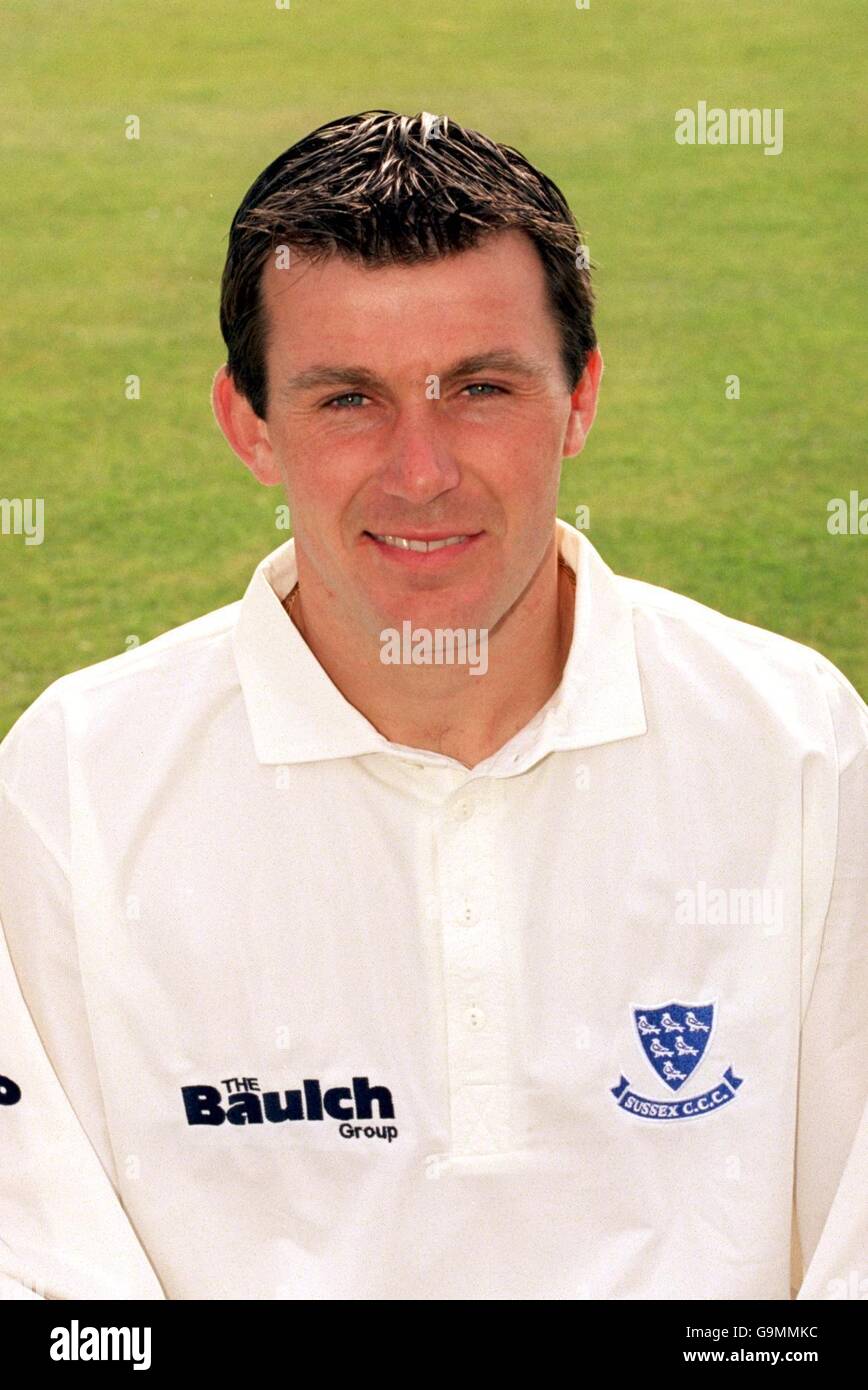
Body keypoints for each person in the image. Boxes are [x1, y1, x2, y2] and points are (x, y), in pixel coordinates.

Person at [0, 110, 865, 1301]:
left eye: (480, 388)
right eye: (348, 399)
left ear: (580, 398)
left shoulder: (798, 747)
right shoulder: (73, 782)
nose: (422, 472)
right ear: (249, 425)